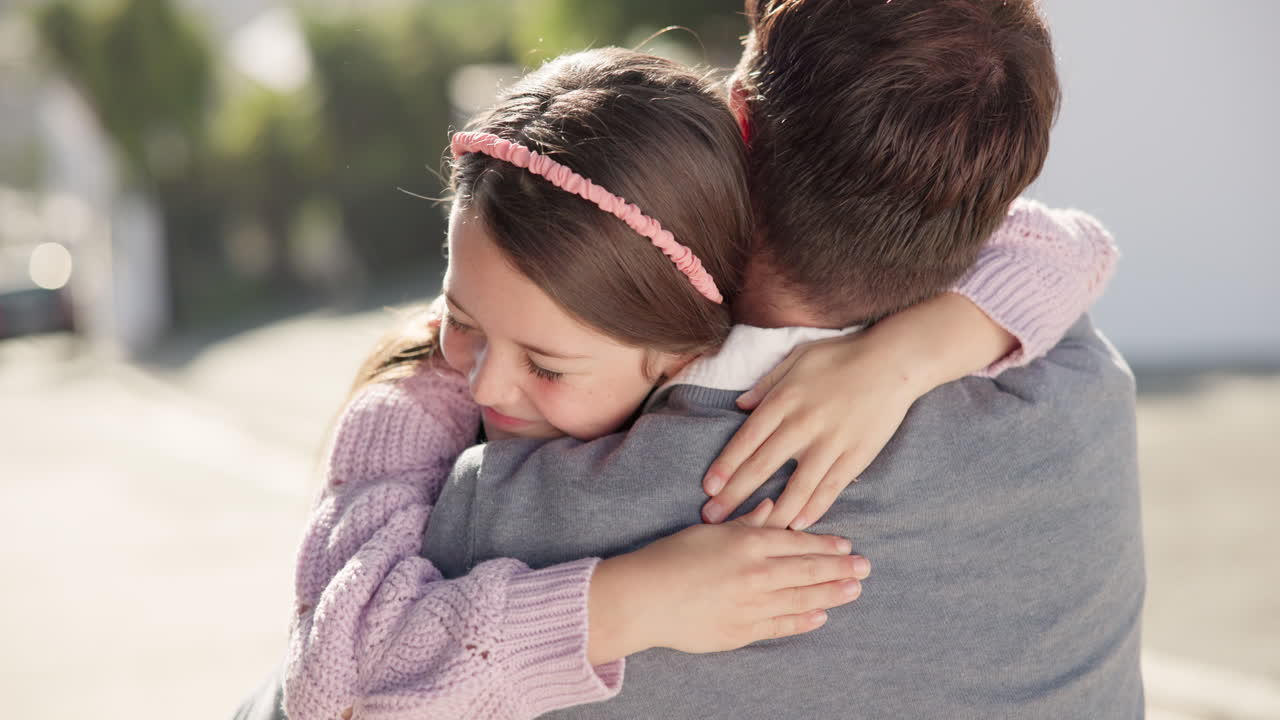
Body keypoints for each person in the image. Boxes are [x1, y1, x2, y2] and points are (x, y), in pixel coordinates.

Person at [249, 20, 1118, 720]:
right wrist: (629, 603)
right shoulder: (1085, 371)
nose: (484, 384)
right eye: (467, 324)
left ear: (687, 348)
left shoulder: (498, 508)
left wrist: (894, 363)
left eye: (548, 366)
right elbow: (1064, 248)